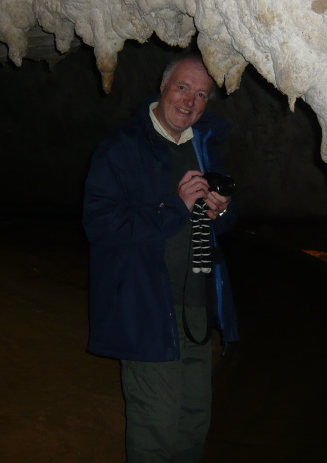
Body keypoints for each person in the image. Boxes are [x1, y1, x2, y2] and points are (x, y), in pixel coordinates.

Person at [83, 54, 239, 463]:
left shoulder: (204, 147)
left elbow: (222, 222)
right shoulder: (123, 147)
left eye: (201, 94)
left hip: (197, 309)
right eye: (183, 88)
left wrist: (219, 210)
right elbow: (99, 224)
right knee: (157, 422)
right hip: (147, 306)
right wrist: (174, 208)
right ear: (164, 87)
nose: (190, 101)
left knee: (192, 418)